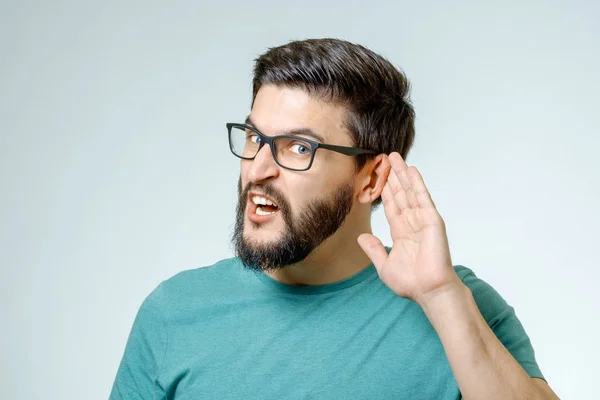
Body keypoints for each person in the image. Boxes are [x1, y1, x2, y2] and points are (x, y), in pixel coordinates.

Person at [109, 38, 559, 399]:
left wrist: (441, 297)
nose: (258, 169)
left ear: (371, 178)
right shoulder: (175, 312)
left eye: (298, 148)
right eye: (254, 137)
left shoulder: (461, 306)